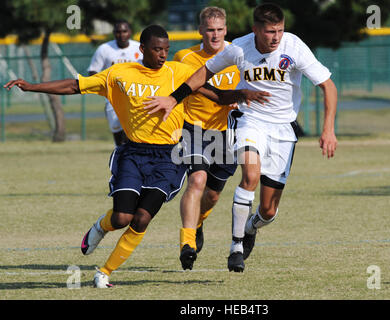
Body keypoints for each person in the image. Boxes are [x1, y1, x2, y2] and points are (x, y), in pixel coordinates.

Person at [4, 25, 269, 287]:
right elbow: (75, 85)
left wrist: (243, 93)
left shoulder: (179, 72)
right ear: (142, 49)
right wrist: (31, 86)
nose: (163, 54)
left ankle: (105, 272)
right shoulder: (119, 74)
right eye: (157, 49)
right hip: (133, 153)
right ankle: (100, 227)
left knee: (142, 218)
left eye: (166, 49)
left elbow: (217, 95)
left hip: (169, 158)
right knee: (121, 218)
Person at [143, 3, 338, 273]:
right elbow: (203, 73)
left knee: (268, 211)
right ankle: (235, 248)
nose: (276, 37)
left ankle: (251, 226)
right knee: (250, 176)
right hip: (250, 120)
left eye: (280, 31)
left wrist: (328, 129)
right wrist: (173, 99)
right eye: (270, 31)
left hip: (283, 128)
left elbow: (328, 85)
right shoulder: (239, 48)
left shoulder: (293, 47)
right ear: (255, 30)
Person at [172, 6, 241, 270]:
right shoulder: (185, 57)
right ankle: (187, 243)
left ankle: (198, 222)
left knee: (212, 196)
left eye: (220, 30)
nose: (215, 35)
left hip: (227, 133)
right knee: (196, 181)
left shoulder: (237, 53)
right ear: (200, 30)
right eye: (210, 30)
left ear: (226, 30)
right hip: (194, 129)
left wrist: (240, 101)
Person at [88, 20, 142, 146]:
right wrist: (104, 87)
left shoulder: (139, 48)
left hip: (135, 95)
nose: (121, 34)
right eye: (118, 32)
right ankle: (119, 153)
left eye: (124, 31)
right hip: (113, 96)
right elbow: (93, 71)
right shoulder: (104, 49)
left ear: (130, 32)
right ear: (114, 33)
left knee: (134, 131)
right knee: (116, 129)